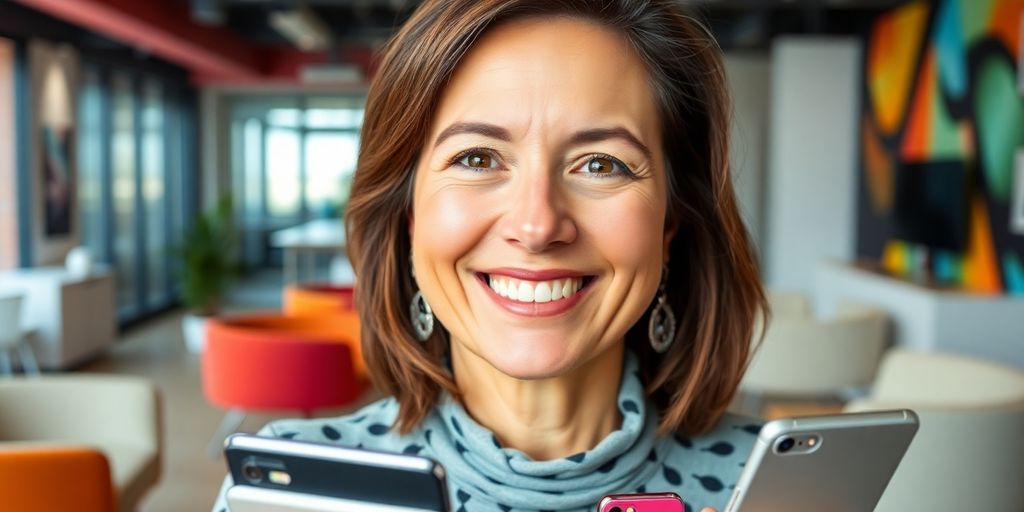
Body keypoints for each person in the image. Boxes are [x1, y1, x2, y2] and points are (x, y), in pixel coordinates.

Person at [213, 0, 766, 510]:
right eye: (477, 159)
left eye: (600, 164)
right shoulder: (292, 489)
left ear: (670, 222)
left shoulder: (776, 486)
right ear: (410, 217)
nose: (537, 225)